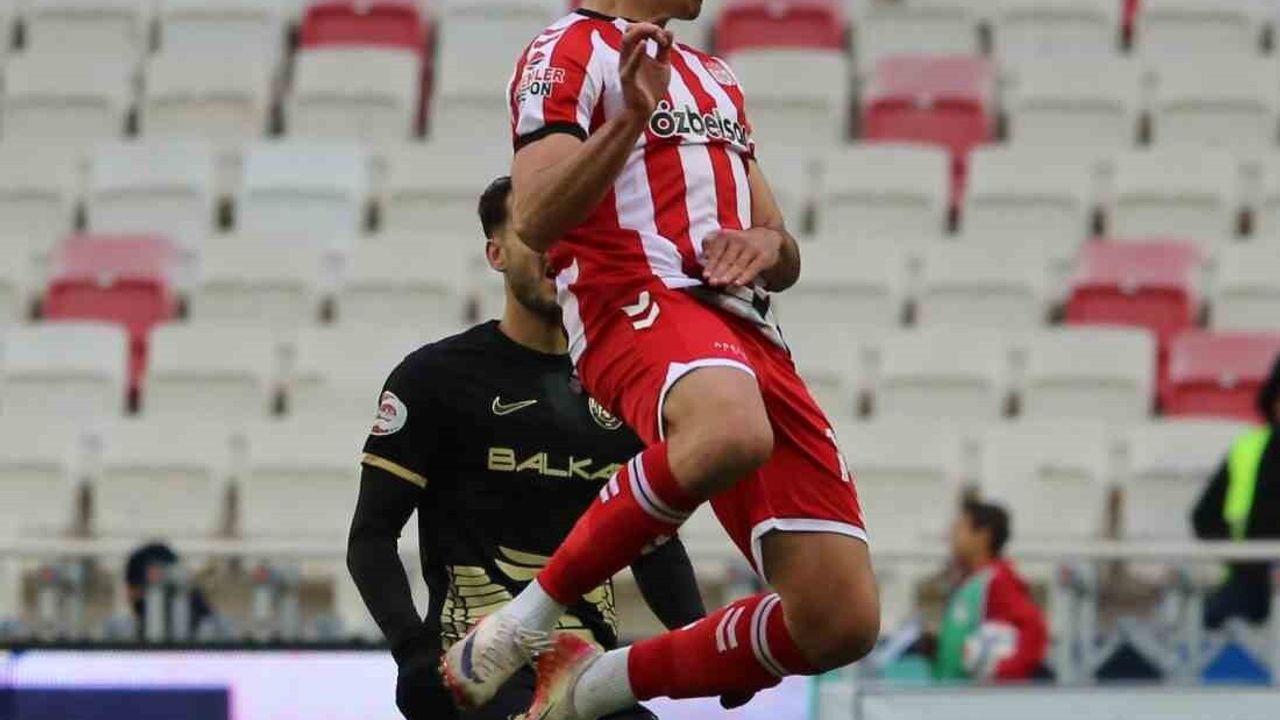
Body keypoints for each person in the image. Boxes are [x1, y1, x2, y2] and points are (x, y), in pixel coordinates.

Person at [441, 2, 880, 718]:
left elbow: (776, 240)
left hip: (746, 331)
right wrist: (628, 118)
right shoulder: (566, 48)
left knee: (840, 620)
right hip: (633, 295)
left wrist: (770, 247)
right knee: (730, 430)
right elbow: (537, 217)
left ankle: (589, 685)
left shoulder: (715, 76)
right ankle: (523, 622)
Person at [347, 176, 707, 720]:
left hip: (586, 677)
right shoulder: (435, 378)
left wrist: (699, 644)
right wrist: (414, 655)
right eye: (534, 231)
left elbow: (652, 545)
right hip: (476, 678)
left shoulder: (625, 383)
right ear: (496, 253)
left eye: (568, 231)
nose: (554, 249)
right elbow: (371, 537)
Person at [1192, 352, 1280, 629]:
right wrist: (1245, 561)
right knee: (1217, 619)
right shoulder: (1247, 450)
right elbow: (1204, 518)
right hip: (1252, 579)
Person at [931, 500, 1047, 682]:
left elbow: (1034, 627)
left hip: (975, 700)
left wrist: (1001, 671)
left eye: (960, 529)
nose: (951, 536)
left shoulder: (997, 581)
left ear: (983, 536)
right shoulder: (972, 582)